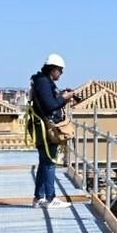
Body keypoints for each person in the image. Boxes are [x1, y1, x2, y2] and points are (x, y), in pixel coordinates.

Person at [29, 53, 78, 207]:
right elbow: (50, 105)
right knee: (50, 162)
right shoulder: (43, 83)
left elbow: (50, 102)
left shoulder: (42, 81)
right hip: (46, 130)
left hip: (43, 128)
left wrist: (62, 96)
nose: (61, 73)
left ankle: (39, 197)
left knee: (44, 162)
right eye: (60, 70)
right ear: (53, 69)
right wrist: (65, 98)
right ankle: (50, 198)